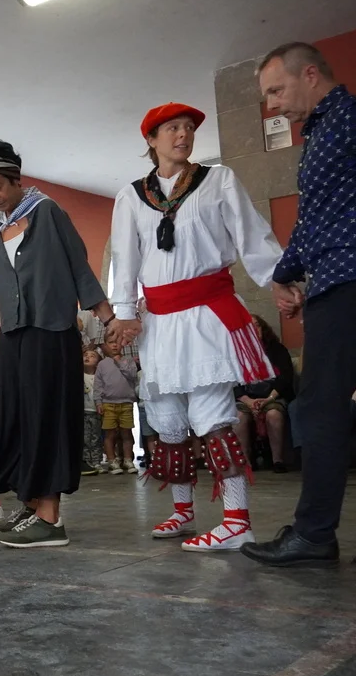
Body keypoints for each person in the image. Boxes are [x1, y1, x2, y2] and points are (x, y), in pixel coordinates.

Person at [241, 43, 356, 573]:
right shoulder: (323, 136)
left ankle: (313, 534)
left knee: (317, 409)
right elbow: (312, 225)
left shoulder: (355, 115)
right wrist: (282, 274)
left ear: (310, 75)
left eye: (276, 90)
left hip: (355, 284)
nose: (272, 105)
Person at [108, 103, 282, 551]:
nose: (183, 135)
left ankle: (237, 521)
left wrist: (278, 280)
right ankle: (182, 511)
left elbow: (251, 233)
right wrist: (124, 311)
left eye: (188, 128)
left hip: (207, 313)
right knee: (167, 420)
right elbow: (124, 257)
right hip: (158, 322)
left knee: (212, 415)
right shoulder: (131, 195)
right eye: (172, 128)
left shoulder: (218, 180)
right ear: (151, 140)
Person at [0, 140, 117, 549]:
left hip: (50, 332)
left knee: (47, 418)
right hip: (14, 337)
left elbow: (78, 267)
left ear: (16, 179)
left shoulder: (47, 212)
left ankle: (51, 518)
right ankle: (31, 503)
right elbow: (2, 288)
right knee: (18, 420)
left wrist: (108, 318)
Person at [232, 315, 295, 474]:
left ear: (263, 328)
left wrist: (269, 398)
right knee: (239, 416)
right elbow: (233, 381)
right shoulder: (237, 352)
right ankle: (246, 462)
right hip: (246, 398)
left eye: (257, 325)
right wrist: (247, 401)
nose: (254, 330)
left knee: (274, 414)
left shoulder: (277, 350)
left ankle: (277, 460)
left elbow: (286, 377)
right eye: (249, 327)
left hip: (273, 395)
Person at [94, 338, 138, 476]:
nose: (114, 345)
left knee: (126, 433)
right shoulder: (102, 364)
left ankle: (128, 460)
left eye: (117, 342)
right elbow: (98, 385)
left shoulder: (128, 361)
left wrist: (119, 362)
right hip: (108, 403)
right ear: (105, 346)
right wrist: (98, 402)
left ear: (122, 345)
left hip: (126, 403)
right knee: (110, 434)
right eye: (111, 343)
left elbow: (133, 375)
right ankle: (112, 460)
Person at [81, 347, 105, 473]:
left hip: (96, 412)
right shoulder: (80, 375)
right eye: (85, 354)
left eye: (92, 356)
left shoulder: (99, 377)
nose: (87, 357)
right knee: (85, 438)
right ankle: (86, 461)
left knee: (96, 437)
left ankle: (96, 461)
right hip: (84, 411)